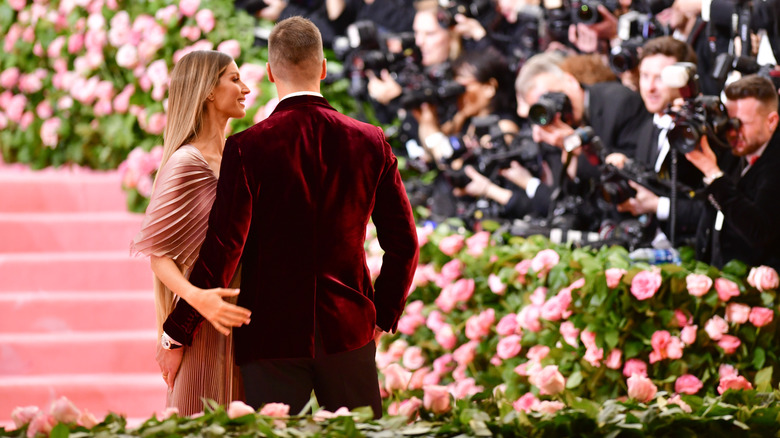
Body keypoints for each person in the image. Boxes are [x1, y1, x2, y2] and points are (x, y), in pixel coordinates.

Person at [159, 16, 419, 419]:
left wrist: (177, 333)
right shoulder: (370, 141)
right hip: (349, 330)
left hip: (269, 336)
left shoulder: (247, 148)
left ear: (269, 71)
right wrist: (382, 315)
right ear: (323, 68)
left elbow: (225, 248)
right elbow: (403, 244)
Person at [131, 50, 253, 415]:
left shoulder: (238, 157)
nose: (245, 88)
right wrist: (197, 304)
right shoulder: (187, 162)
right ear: (208, 92)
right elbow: (158, 255)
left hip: (242, 320)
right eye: (234, 79)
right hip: (203, 322)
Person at [610, 36, 706, 247]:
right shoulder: (646, 126)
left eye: (660, 78)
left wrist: (657, 205)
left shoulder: (701, 133)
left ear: (684, 80)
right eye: (644, 76)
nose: (650, 87)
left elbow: (713, 210)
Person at [686, 74, 780, 270]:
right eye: (727, 122)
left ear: (771, 121)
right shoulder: (731, 152)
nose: (732, 132)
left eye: (740, 124)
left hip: (757, 286)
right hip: (715, 275)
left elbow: (759, 231)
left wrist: (713, 174)